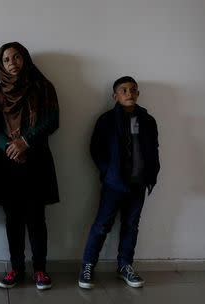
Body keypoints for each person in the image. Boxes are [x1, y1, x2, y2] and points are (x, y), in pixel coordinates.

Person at [0, 42, 60, 290]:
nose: (12, 63)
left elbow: (53, 120)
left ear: (25, 59)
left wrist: (26, 141)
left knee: (36, 218)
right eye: (7, 59)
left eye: (17, 57)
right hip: (8, 164)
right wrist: (11, 146)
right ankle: (16, 268)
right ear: (1, 65)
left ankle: (40, 269)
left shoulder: (43, 88)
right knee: (13, 219)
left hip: (36, 161)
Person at [78, 76, 160, 289]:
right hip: (114, 183)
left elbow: (153, 149)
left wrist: (152, 172)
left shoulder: (147, 120)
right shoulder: (106, 120)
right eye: (124, 90)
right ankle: (87, 265)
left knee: (131, 224)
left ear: (138, 93)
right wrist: (108, 172)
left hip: (138, 183)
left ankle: (125, 265)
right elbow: (95, 149)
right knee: (102, 224)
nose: (129, 93)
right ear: (115, 96)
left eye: (133, 89)